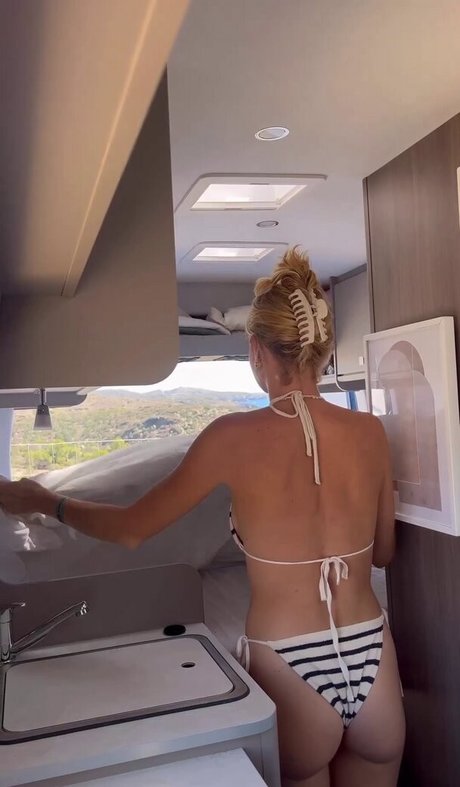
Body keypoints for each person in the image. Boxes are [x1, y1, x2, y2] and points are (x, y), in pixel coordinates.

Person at [0, 249, 405, 786]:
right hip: (372, 654)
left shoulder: (230, 438)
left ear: (256, 350)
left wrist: (43, 500)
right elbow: (383, 554)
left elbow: (131, 529)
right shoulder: (371, 432)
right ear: (324, 349)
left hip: (289, 661)